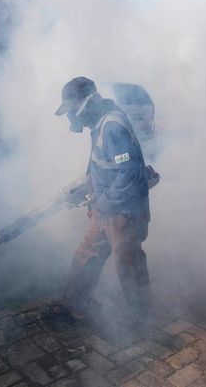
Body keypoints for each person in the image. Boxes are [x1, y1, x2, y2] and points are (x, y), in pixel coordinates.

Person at [55, 76, 151, 322]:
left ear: (85, 103)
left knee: (128, 263)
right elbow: (102, 164)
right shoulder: (100, 122)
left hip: (124, 212)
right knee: (86, 254)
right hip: (107, 207)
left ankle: (141, 316)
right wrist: (88, 189)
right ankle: (71, 307)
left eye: (72, 110)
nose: (71, 117)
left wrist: (104, 204)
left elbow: (129, 172)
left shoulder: (112, 126)